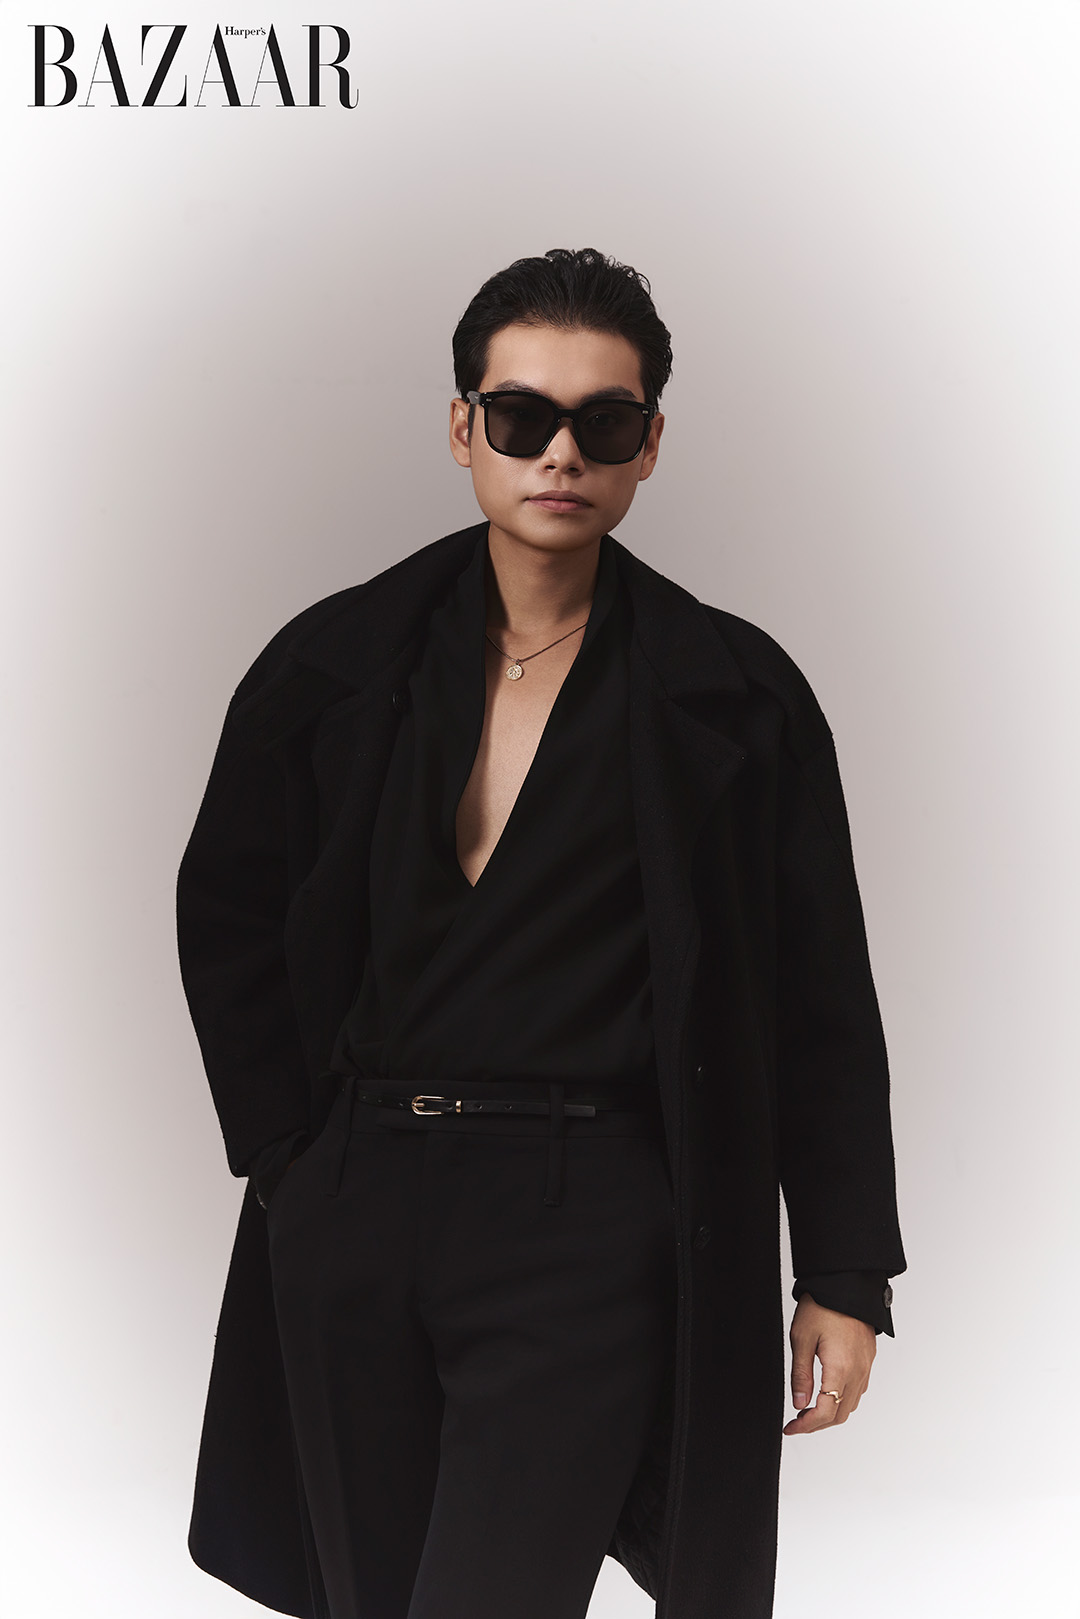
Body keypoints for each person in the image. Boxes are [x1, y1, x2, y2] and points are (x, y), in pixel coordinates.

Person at [176, 247, 906, 1619]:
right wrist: (289, 1158)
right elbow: (225, 910)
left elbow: (820, 996)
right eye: (521, 417)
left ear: (649, 446)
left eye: (603, 423)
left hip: (592, 1216)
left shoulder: (736, 697)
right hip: (353, 1202)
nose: (560, 453)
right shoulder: (330, 666)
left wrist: (846, 1270)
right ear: (464, 429)